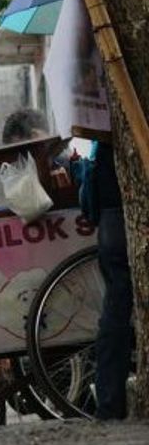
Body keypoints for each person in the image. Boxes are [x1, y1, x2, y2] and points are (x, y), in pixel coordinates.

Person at [80, 140, 132, 420]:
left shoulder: (99, 134)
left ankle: (110, 405)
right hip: (123, 212)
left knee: (115, 310)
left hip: (109, 214)